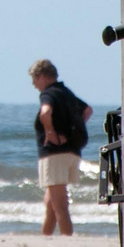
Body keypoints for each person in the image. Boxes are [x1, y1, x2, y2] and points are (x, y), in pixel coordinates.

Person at [30, 59, 92, 236]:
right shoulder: (66, 92)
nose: (33, 84)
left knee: (60, 207)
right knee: (50, 205)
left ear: (41, 77)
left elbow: (46, 112)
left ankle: (68, 241)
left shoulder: (48, 94)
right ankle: (46, 240)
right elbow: (87, 110)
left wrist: (50, 132)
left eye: (34, 79)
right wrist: (71, 134)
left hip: (54, 154)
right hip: (72, 152)